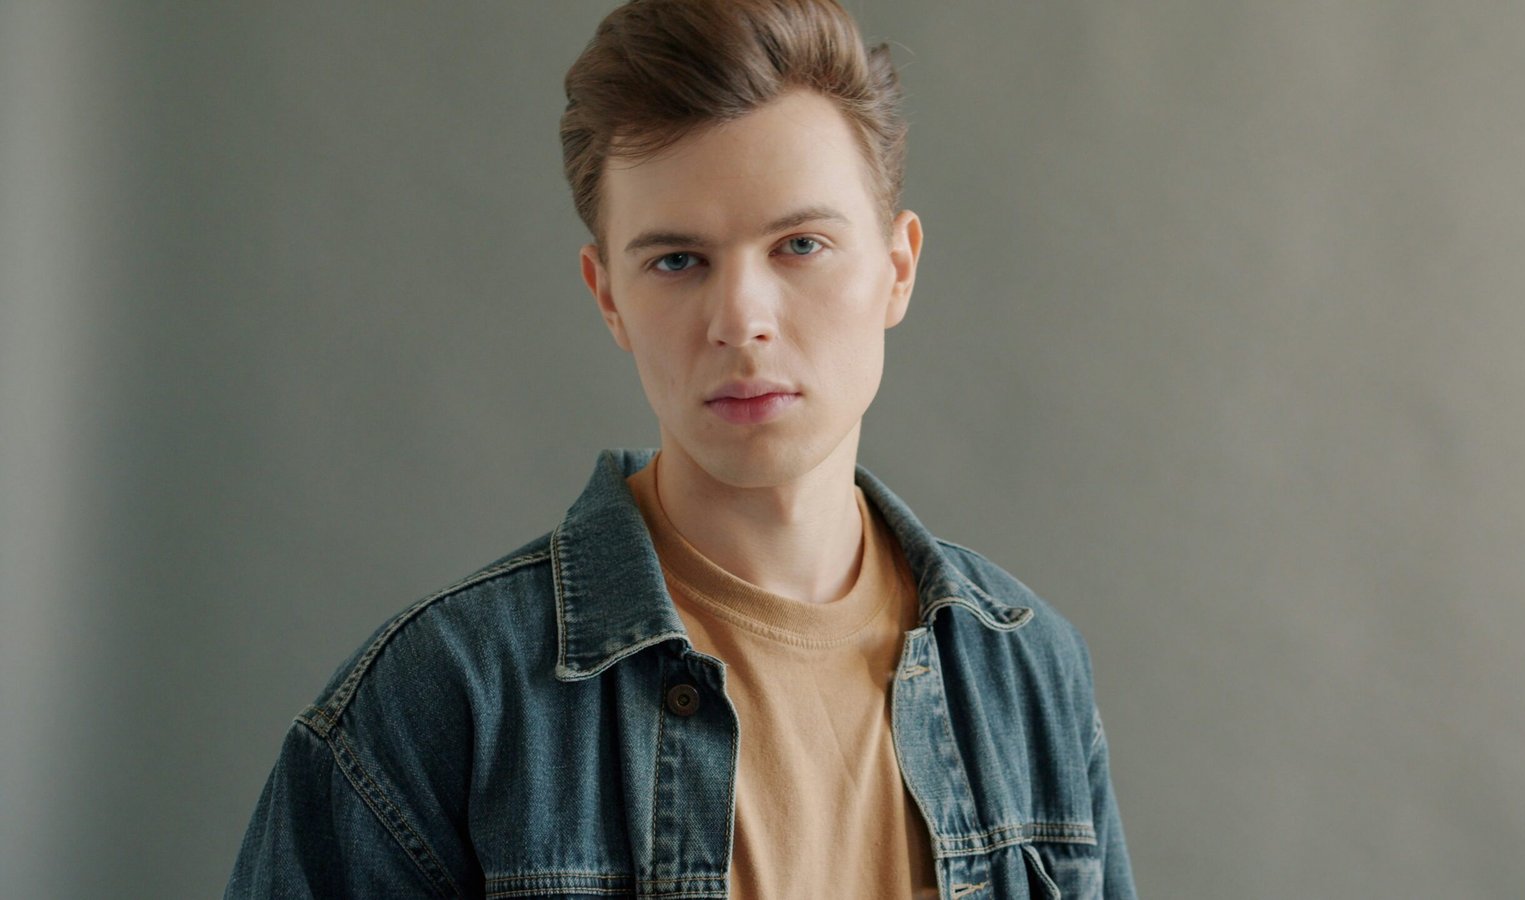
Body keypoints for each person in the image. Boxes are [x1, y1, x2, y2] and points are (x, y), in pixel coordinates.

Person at [225, 1, 1135, 897]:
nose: (741, 320)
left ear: (898, 268)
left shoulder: (1030, 674)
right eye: (676, 261)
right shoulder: (437, 706)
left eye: (802, 244)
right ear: (608, 295)